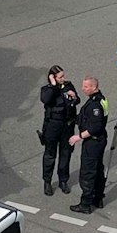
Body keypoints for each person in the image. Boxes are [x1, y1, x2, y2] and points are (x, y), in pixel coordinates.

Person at [38, 65, 81, 195]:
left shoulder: (68, 86)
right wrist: (52, 85)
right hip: (53, 125)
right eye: (60, 77)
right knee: (50, 154)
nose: (63, 78)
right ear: (53, 77)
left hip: (67, 125)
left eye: (63, 76)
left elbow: (77, 100)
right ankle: (47, 181)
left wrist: (74, 97)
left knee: (66, 153)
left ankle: (63, 180)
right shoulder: (47, 89)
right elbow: (46, 99)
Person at [70, 77, 110, 212]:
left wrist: (78, 136)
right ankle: (98, 198)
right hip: (100, 140)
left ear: (94, 87)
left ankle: (85, 204)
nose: (83, 88)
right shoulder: (101, 99)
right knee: (98, 169)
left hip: (93, 141)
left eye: (86, 87)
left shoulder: (95, 105)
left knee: (88, 172)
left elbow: (96, 127)